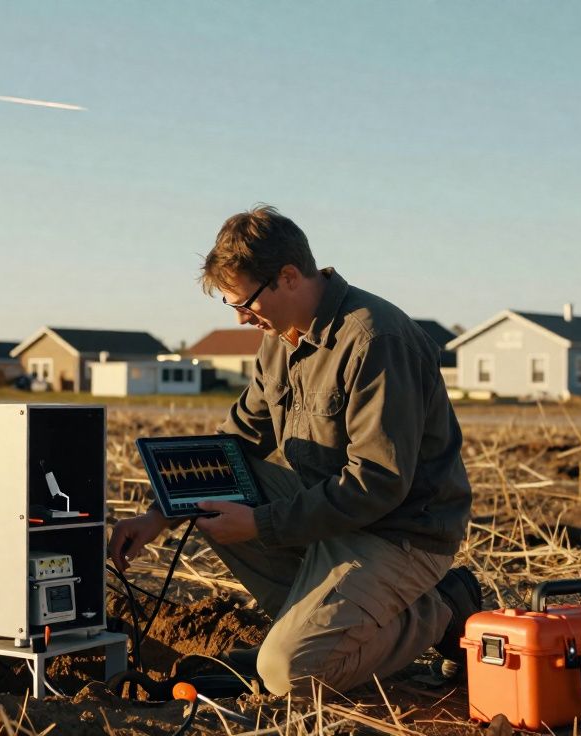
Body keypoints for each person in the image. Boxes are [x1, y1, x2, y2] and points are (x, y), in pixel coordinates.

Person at [109, 205, 480, 697]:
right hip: (328, 518)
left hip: (399, 533)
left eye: (245, 303)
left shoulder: (375, 339)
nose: (241, 318)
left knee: (289, 674)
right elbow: (237, 438)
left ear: (287, 276)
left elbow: (378, 482)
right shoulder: (280, 340)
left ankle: (439, 610)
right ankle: (315, 630)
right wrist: (160, 514)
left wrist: (262, 524)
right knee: (214, 493)